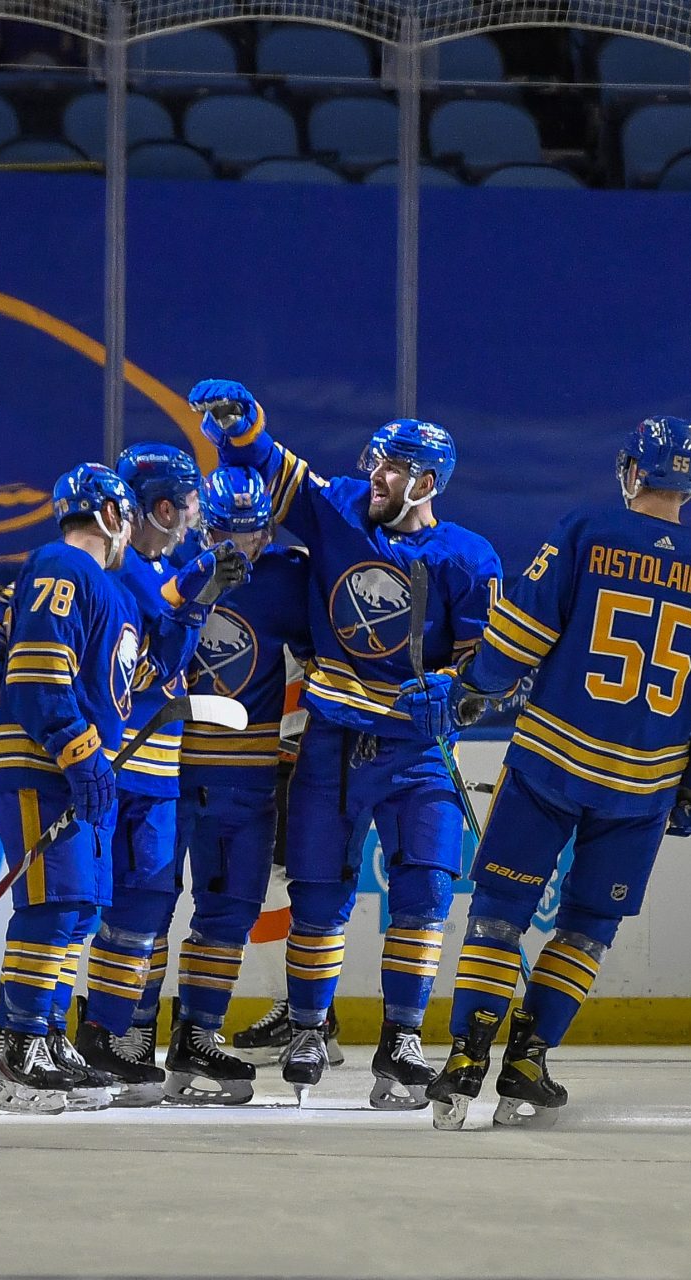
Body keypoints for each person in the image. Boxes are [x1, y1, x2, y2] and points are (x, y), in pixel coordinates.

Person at [397, 416, 691, 1129]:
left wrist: (473, 687)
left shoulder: (588, 530)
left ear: (630, 470)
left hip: (550, 765)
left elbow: (522, 631)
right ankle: (529, 1063)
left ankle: (467, 1060)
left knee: (498, 919)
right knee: (587, 932)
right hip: (642, 786)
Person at [190, 379, 503, 1108]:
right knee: (319, 892)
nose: (376, 476)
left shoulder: (469, 557)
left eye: (392, 468)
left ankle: (401, 1038)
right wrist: (243, 427)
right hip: (334, 739)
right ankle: (307, 1026)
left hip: (418, 750)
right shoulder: (337, 512)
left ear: (427, 482)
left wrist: (457, 696)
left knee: (424, 892)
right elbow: (271, 463)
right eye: (376, 462)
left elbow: (489, 672)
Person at [0, 462, 207, 1114]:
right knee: (54, 900)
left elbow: (147, 670)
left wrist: (191, 609)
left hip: (78, 764)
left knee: (81, 908)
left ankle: (47, 1035)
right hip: (40, 756)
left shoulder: (113, 592)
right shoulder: (60, 564)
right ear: (113, 516)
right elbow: (42, 672)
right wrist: (79, 751)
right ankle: (16, 1048)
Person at [69, 444, 246, 1105]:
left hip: (159, 771)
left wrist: (198, 592)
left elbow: (167, 650)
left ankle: (108, 1039)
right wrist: (201, 577)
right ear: (165, 508)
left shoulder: (164, 570)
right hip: (107, 767)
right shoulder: (117, 570)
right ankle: (50, 1036)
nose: (199, 517)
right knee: (79, 905)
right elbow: (155, 600)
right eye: (193, 505)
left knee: (142, 910)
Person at [161, 466, 316, 1103]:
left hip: (245, 778)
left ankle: (197, 1035)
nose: (240, 545)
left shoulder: (284, 577)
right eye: (226, 529)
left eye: (253, 532)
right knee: (143, 909)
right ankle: (127, 1039)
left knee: (230, 912)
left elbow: (327, 652)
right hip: (165, 772)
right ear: (202, 522)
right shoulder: (163, 569)